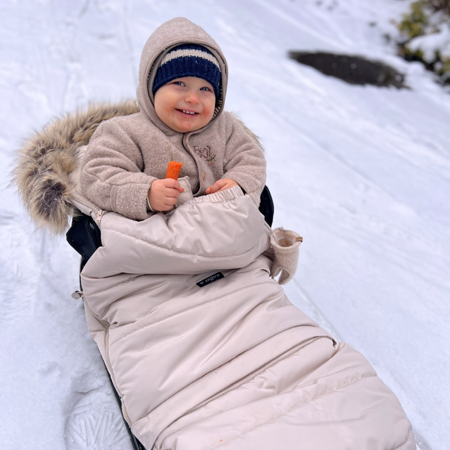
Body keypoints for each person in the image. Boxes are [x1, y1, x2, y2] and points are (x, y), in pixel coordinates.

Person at [80, 17, 266, 220]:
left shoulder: (226, 129)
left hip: (218, 235)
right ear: (152, 87)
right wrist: (145, 193)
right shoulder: (124, 131)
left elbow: (252, 160)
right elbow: (96, 175)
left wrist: (237, 183)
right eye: (179, 83)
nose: (193, 98)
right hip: (154, 241)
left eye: (205, 89)